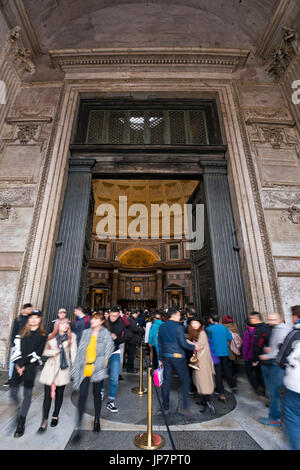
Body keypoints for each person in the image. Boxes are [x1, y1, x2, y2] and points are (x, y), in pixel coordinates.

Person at [71, 311, 114, 442]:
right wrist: (76, 367)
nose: (92, 321)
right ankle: (78, 428)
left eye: (95, 319)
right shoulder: (86, 333)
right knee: (82, 397)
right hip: (85, 368)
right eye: (92, 319)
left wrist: (102, 364)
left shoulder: (105, 334)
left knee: (96, 395)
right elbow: (80, 351)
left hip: (98, 368)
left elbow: (109, 351)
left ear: (101, 321)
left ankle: (96, 420)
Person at [10, 310, 47, 437]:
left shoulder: (42, 335)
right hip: (18, 365)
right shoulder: (22, 332)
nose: (34, 320)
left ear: (40, 320)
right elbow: (16, 349)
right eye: (31, 317)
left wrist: (23, 364)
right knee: (13, 393)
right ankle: (18, 410)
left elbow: (37, 353)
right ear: (29, 319)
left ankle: (21, 422)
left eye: (36, 317)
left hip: (30, 367)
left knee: (27, 395)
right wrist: (18, 364)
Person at [38, 318, 77, 432]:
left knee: (59, 394)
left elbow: (74, 354)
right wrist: (53, 352)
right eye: (63, 324)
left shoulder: (72, 337)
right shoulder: (51, 335)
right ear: (57, 325)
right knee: (47, 396)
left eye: (67, 324)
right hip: (50, 368)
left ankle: (55, 415)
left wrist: (75, 369)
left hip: (63, 369)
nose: (66, 326)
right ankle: (44, 420)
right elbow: (44, 351)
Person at [158, 308, 198, 417]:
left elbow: (160, 343)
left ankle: (165, 407)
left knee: (166, 382)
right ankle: (185, 408)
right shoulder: (179, 327)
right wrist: (194, 346)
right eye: (179, 315)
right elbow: (183, 344)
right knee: (185, 380)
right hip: (178, 356)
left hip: (166, 356)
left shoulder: (162, 326)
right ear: (174, 315)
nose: (180, 317)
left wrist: (160, 358)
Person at [258, 312, 290, 427]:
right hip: (278, 363)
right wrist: (270, 349)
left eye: (272, 319)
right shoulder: (283, 328)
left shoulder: (280, 330)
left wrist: (268, 355)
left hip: (275, 364)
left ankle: (274, 418)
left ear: (280, 319)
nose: (269, 322)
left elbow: (280, 350)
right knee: (278, 392)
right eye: (269, 319)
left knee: (275, 392)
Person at [276, 305, 300, 449]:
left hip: (295, 386)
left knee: (292, 420)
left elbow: (281, 359)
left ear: (295, 317)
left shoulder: (294, 333)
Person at [101, 306, 131, 412]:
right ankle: (101, 391)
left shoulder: (121, 324)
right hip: (103, 353)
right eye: (112, 315)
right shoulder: (103, 322)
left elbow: (127, 336)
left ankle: (111, 401)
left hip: (115, 353)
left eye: (116, 316)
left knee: (114, 378)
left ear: (118, 314)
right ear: (109, 314)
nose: (113, 317)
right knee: (102, 375)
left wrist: (116, 338)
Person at [206, 314, 237, 401]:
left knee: (218, 372)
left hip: (215, 353)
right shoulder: (224, 328)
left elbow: (207, 341)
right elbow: (230, 338)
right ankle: (233, 385)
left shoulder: (209, 329)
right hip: (225, 352)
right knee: (226, 369)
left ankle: (220, 392)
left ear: (211, 320)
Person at [188, 317, 215, 413]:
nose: (194, 325)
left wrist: (184, 340)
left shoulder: (202, 333)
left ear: (200, 324)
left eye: (196, 323)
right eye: (192, 323)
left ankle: (208, 404)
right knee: (200, 381)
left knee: (205, 382)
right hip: (199, 361)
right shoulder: (195, 334)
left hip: (203, 362)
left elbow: (198, 346)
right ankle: (204, 400)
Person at [4, 303, 33, 387]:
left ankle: (22, 378)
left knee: (25, 361)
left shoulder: (30, 319)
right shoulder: (18, 319)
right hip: (17, 343)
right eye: (28, 309)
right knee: (13, 361)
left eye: (30, 309)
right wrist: (13, 343)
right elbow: (13, 332)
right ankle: (10, 379)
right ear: (23, 309)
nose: (30, 311)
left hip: (26, 343)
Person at [242, 319, 265, 396]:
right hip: (258, 356)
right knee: (259, 373)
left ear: (247, 325)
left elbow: (245, 346)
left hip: (250, 357)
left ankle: (256, 387)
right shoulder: (259, 331)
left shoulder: (247, 332)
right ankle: (263, 388)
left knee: (249, 373)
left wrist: (244, 356)